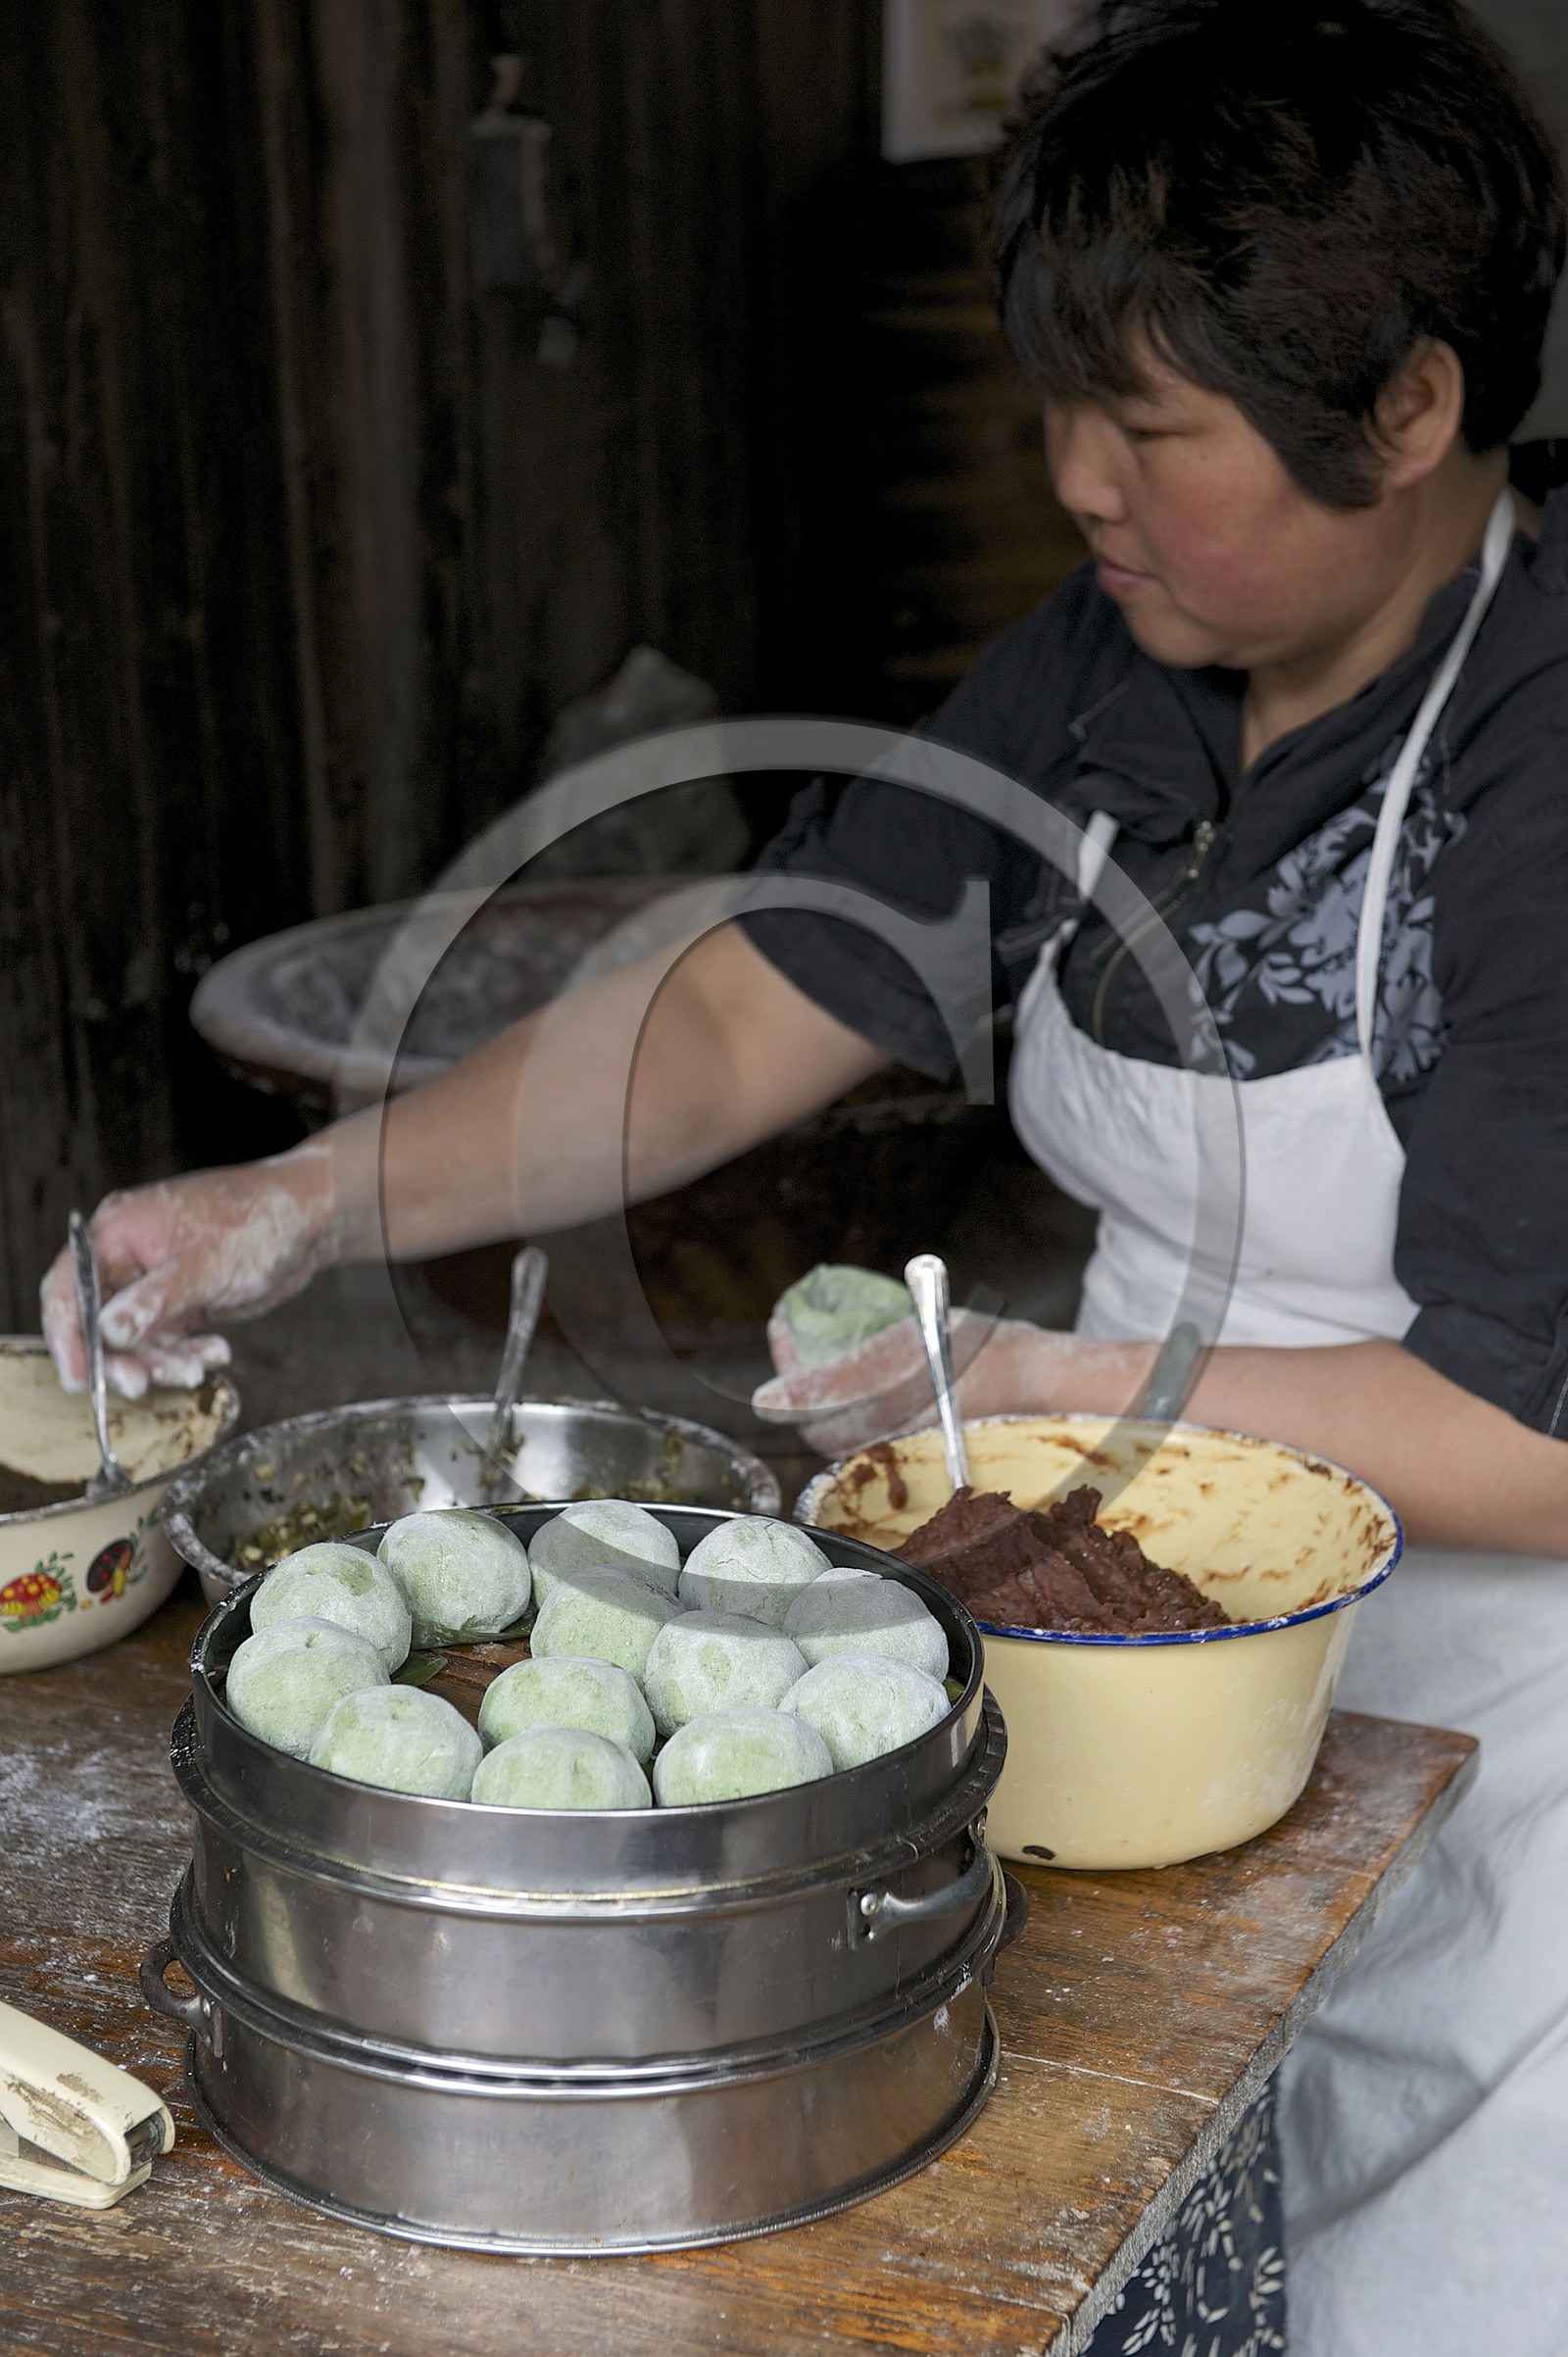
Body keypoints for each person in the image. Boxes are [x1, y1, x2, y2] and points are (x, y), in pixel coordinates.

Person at [40, 1, 1568, 2347]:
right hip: (1124, 1687)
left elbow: (1528, 1434)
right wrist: (300, 1200)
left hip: (1505, 1765)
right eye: (1058, 406)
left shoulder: (1535, 780)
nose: (1071, 479)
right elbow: (752, 1005)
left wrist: (1054, 1385)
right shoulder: (1118, 666)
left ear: (1408, 411)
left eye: (1144, 427)